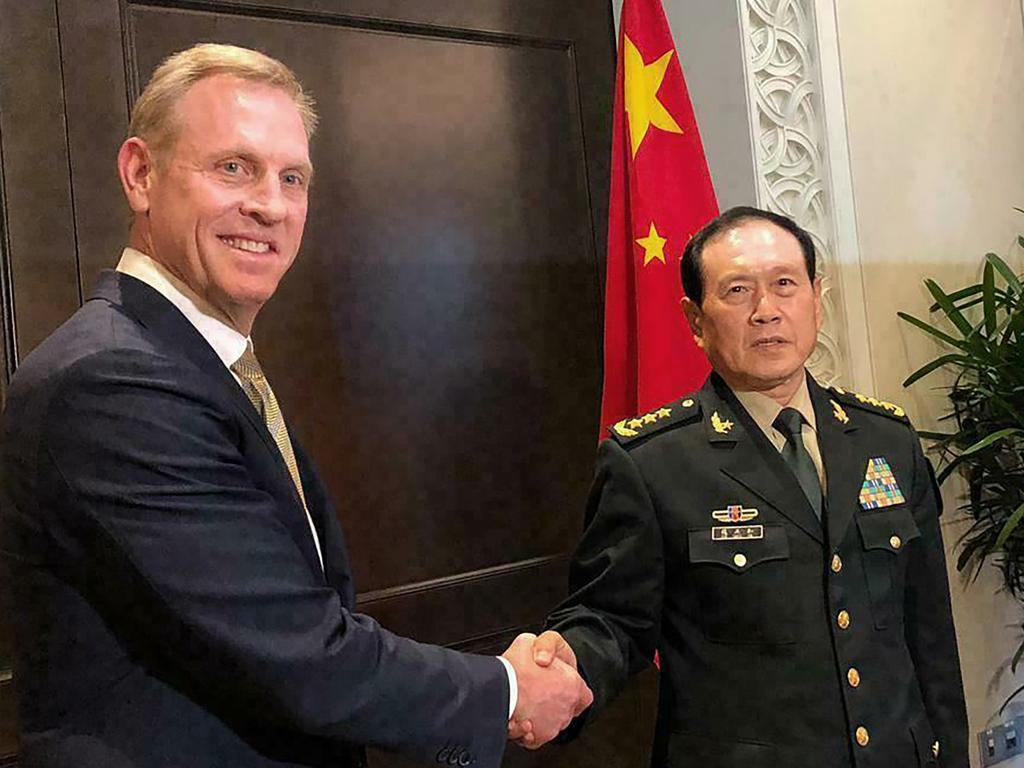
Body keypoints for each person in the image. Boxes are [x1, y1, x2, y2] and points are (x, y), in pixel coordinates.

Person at [0, 43, 590, 768]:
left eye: (292, 178)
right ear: (140, 174)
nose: (269, 206)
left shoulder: (199, 359)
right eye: (233, 167)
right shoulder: (115, 381)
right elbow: (297, 652)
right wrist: (504, 690)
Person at [529, 206, 968, 766]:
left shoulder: (887, 439)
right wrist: (565, 665)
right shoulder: (652, 461)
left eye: (785, 284)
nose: (767, 311)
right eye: (737, 291)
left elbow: (929, 631)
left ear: (817, 297)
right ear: (695, 320)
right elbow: (613, 621)